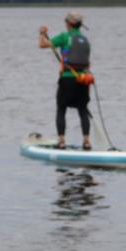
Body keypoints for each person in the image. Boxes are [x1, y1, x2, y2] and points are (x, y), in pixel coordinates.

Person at [37, 12, 92, 150]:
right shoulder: (86, 41)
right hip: (84, 80)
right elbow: (87, 64)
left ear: (69, 23)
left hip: (67, 79)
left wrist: (42, 33)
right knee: (83, 110)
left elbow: (42, 45)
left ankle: (61, 141)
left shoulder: (64, 36)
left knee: (61, 109)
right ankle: (86, 141)